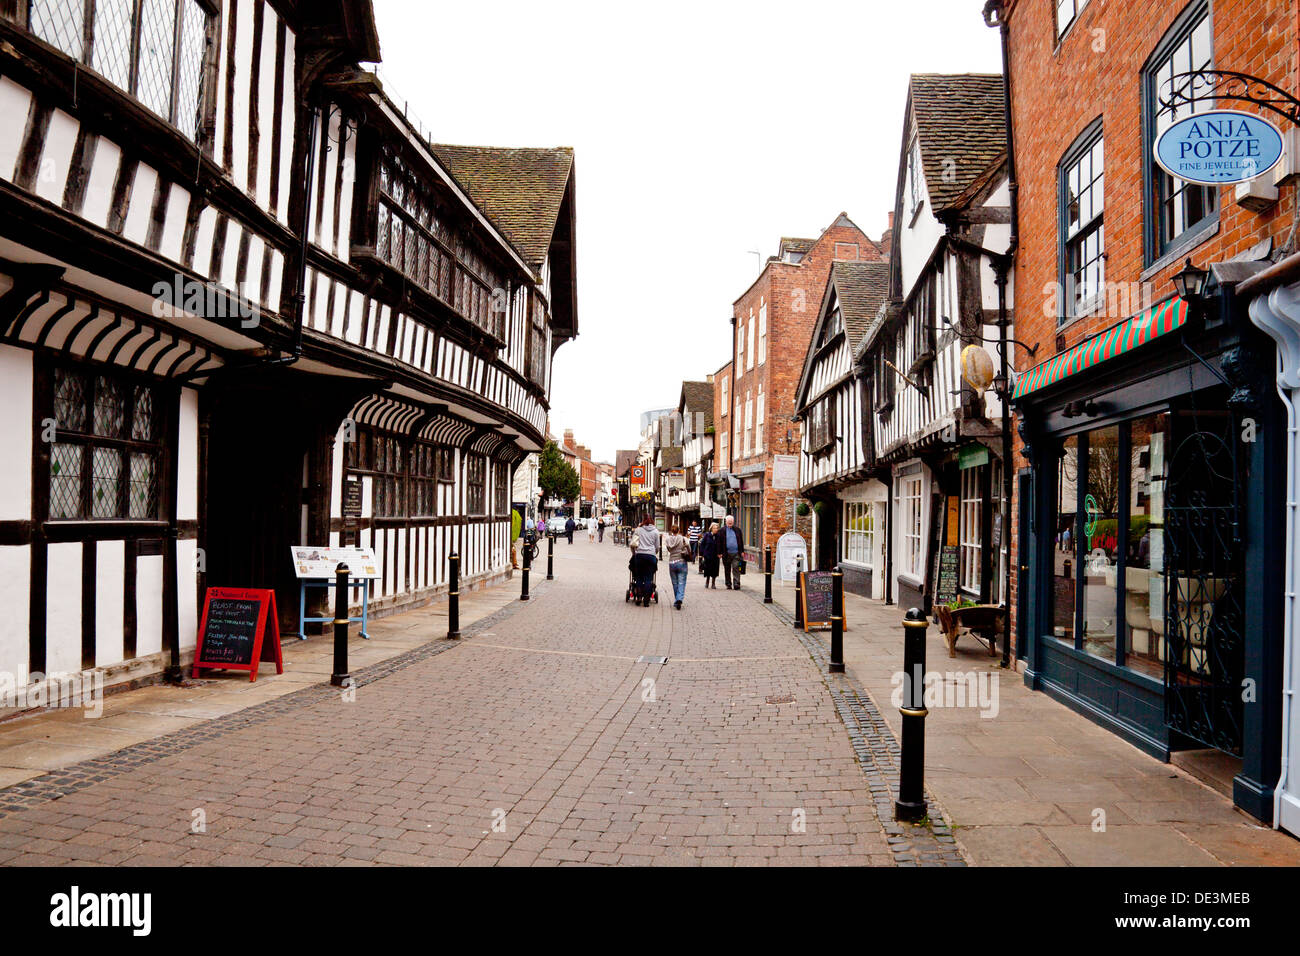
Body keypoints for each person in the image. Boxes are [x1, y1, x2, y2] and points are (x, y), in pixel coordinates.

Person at [628, 515, 660, 606]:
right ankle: (646, 600)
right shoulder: (656, 531)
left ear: (643, 521)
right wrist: (654, 552)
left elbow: (633, 544)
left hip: (640, 555)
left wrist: (634, 553)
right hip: (650, 556)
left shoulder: (638, 530)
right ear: (652, 522)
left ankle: (638, 596)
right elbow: (657, 546)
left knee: (639, 577)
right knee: (648, 578)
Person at [663, 522, 692, 610]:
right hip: (681, 562)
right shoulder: (683, 539)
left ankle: (677, 599)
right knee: (681, 582)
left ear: (671, 531)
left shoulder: (668, 540)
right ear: (679, 530)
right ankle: (679, 598)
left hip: (672, 562)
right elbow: (689, 548)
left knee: (675, 583)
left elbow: (668, 549)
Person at [717, 514, 745, 590]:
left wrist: (742, 551)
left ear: (733, 522)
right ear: (726, 522)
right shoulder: (721, 531)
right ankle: (728, 583)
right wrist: (719, 553)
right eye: (729, 522)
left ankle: (736, 583)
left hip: (736, 553)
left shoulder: (738, 530)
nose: (730, 523)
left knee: (736, 567)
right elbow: (719, 542)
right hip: (726, 553)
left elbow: (741, 541)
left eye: (731, 522)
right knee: (727, 569)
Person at [698, 522, 721, 588]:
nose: (716, 529)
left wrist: (720, 553)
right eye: (714, 528)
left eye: (717, 528)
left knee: (715, 569)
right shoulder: (707, 535)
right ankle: (707, 581)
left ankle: (713, 583)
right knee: (708, 569)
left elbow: (721, 545)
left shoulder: (718, 536)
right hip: (708, 555)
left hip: (716, 555)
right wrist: (702, 554)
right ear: (711, 529)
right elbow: (702, 544)